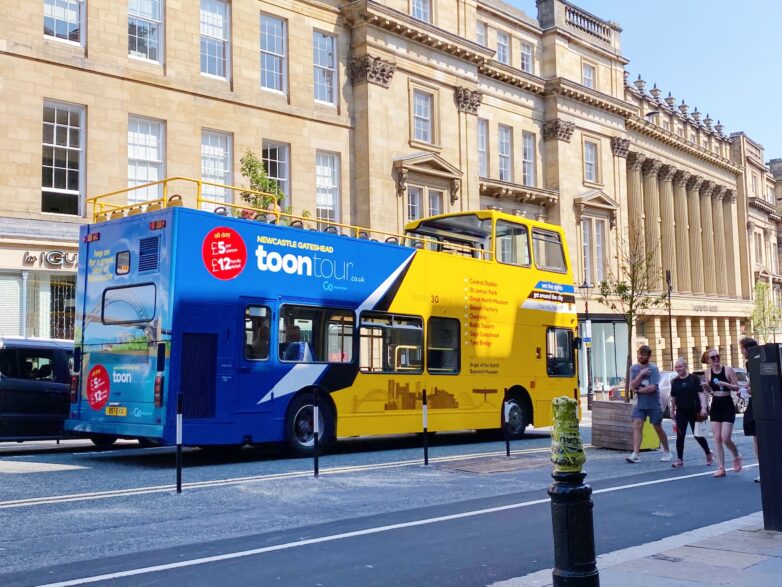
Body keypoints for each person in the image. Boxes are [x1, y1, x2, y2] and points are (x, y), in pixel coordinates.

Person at [626, 345, 671, 463]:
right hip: (639, 404)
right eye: (639, 354)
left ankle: (667, 451)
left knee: (657, 427)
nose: (640, 357)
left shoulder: (653, 369)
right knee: (637, 425)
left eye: (643, 355)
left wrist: (638, 390)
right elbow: (632, 385)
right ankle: (636, 453)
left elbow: (652, 388)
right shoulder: (634, 368)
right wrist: (640, 375)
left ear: (649, 356)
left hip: (653, 403)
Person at [702, 348, 741, 478]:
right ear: (708, 361)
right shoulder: (708, 372)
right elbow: (709, 390)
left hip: (727, 403)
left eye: (717, 356)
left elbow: (736, 387)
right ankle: (721, 468)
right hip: (716, 404)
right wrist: (707, 389)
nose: (716, 359)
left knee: (725, 437)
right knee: (717, 437)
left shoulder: (728, 370)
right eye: (713, 357)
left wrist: (725, 383)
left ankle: (736, 456)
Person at [669, 357, 714, 468]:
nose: (678, 369)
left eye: (680, 366)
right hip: (681, 411)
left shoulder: (693, 379)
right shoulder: (675, 381)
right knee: (680, 435)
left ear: (685, 367)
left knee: (698, 435)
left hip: (695, 410)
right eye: (676, 367)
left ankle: (708, 453)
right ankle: (680, 459)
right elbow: (673, 397)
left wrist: (703, 408)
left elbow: (701, 394)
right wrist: (671, 411)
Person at [739, 337, 760, 482]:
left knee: (759, 439)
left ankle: (764, 469)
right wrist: (747, 387)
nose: (741, 352)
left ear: (747, 349)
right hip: (755, 403)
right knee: (756, 437)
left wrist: (751, 389)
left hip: (759, 404)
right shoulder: (751, 362)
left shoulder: (755, 362)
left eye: (742, 349)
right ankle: (762, 468)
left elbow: (758, 383)